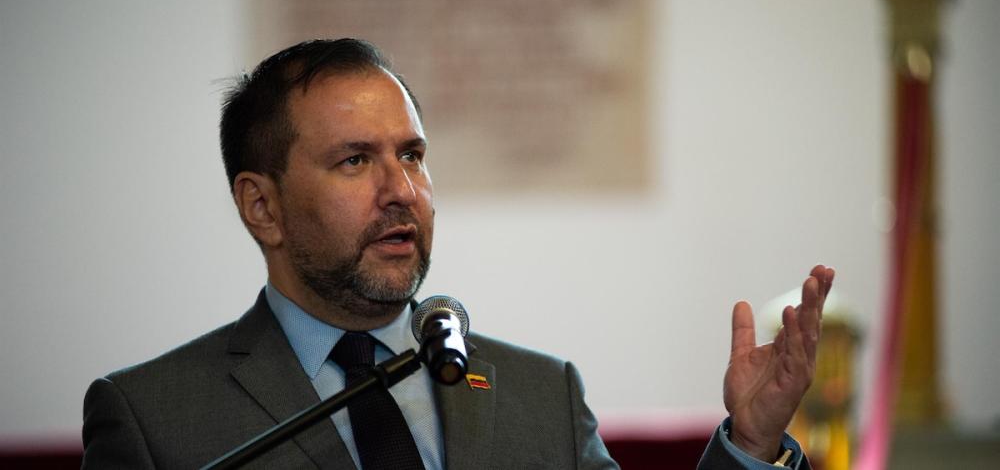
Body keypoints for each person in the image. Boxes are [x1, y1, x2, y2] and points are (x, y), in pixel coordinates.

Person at [81, 39, 835, 469]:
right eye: (355, 160)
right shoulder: (155, 421)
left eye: (412, 155)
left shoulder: (543, 395)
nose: (401, 190)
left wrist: (750, 442)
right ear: (262, 206)